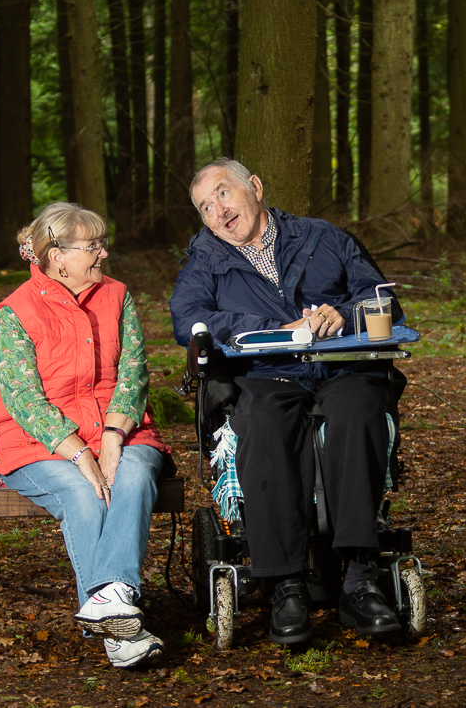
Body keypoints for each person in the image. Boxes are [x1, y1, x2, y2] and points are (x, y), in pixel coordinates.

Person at [170, 158, 404, 645]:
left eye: (223, 194)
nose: (218, 211)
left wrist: (342, 314)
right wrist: (263, 331)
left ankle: (361, 579)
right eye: (204, 207)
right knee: (263, 418)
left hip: (342, 367)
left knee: (356, 411)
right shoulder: (203, 260)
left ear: (254, 186)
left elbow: (382, 297)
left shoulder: (322, 237)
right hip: (267, 373)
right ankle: (285, 585)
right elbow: (188, 319)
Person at [0, 202, 173, 668]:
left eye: (101, 244)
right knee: (83, 492)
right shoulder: (15, 312)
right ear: (56, 256)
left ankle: (108, 607)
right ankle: (119, 625)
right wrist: (77, 452)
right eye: (92, 246)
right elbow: (24, 400)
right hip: (39, 444)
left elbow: (134, 373)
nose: (103, 255)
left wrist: (113, 435)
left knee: (132, 472)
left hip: (118, 427)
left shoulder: (117, 295)